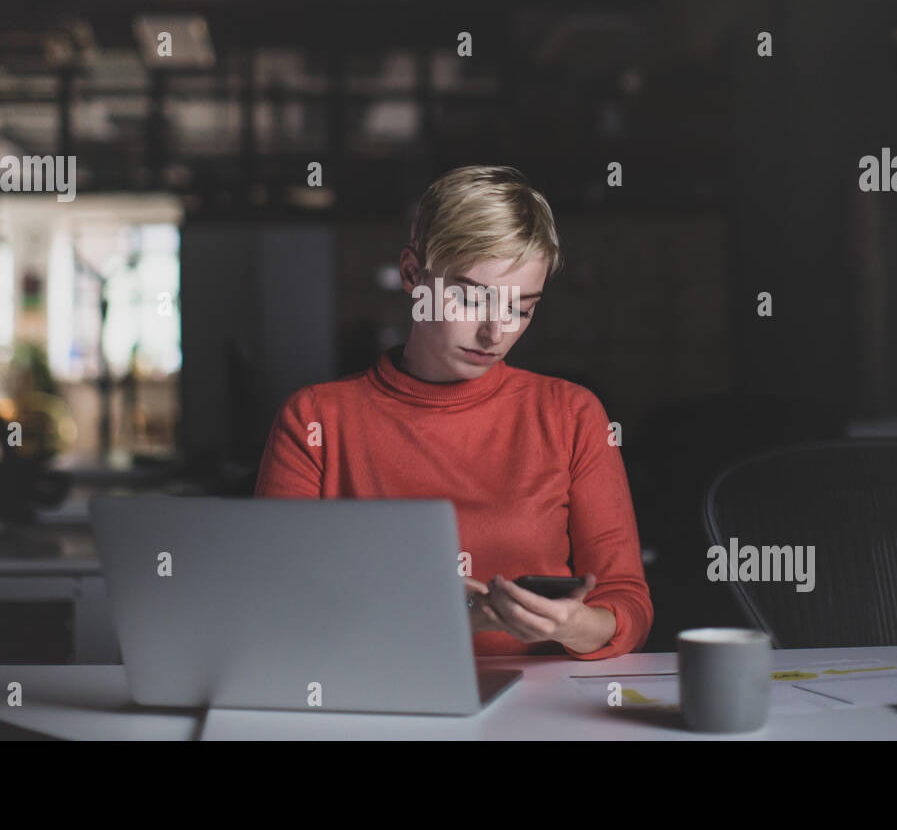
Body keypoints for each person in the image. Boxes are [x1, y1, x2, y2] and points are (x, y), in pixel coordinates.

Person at [253, 165, 653, 659]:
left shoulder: (571, 415)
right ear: (412, 276)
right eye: (468, 298)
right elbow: (274, 607)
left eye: (521, 308)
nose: (495, 333)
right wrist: (454, 619)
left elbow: (626, 603)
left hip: (536, 710)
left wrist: (574, 625)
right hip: (373, 700)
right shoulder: (314, 420)